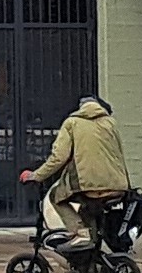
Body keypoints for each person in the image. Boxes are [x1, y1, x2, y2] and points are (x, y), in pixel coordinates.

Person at [22, 93, 129, 253]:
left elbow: (59, 157)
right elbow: (119, 154)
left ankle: (80, 235)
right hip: (118, 185)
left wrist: (36, 175)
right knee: (87, 212)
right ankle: (89, 262)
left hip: (90, 185)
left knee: (56, 198)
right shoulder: (110, 123)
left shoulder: (72, 123)